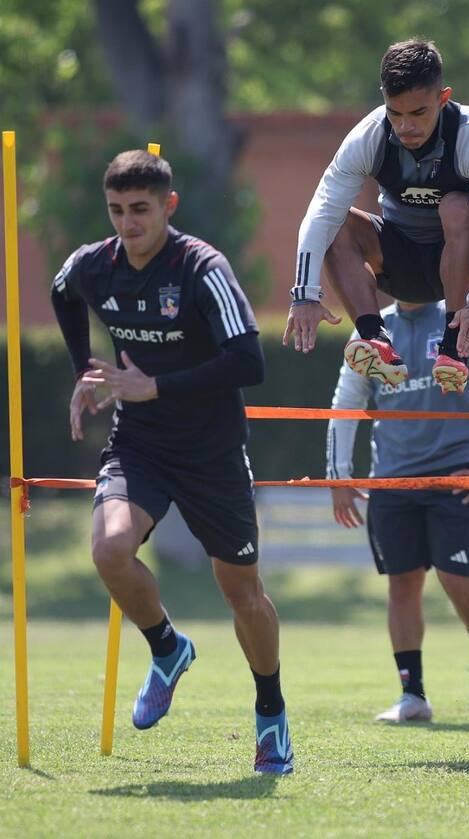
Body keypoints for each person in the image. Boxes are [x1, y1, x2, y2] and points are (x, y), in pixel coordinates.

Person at [50, 150, 293, 774]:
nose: (128, 225)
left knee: (242, 592)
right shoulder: (96, 265)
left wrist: (159, 385)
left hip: (212, 452)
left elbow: (250, 363)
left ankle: (271, 716)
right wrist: (85, 367)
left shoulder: (201, 267)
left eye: (140, 211)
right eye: (117, 212)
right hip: (141, 445)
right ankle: (168, 648)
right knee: (109, 550)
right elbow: (61, 289)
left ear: (168, 207)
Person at [326, 299, 469, 721]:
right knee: (402, 585)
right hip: (392, 479)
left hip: (456, 473)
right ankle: (412, 695)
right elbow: (346, 403)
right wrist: (339, 477)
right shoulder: (372, 327)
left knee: (457, 578)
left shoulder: (463, 317)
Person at [284, 38, 469, 395]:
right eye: (395, 113)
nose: (405, 127)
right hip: (399, 267)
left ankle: (453, 349)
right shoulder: (369, 136)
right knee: (338, 221)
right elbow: (321, 211)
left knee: (456, 205)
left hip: (459, 269)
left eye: (418, 113)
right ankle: (375, 339)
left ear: (443, 98)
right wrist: (304, 295)